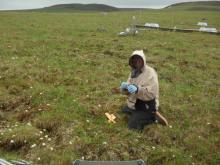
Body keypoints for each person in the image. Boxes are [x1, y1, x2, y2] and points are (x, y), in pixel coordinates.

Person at [120, 50, 168, 131]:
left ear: (143, 61)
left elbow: (151, 93)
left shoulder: (151, 73)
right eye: (134, 60)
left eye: (139, 60)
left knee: (132, 126)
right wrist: (124, 88)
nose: (137, 62)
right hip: (135, 103)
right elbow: (127, 92)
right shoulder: (133, 72)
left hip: (147, 105)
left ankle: (152, 116)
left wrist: (138, 90)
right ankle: (138, 115)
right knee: (124, 109)